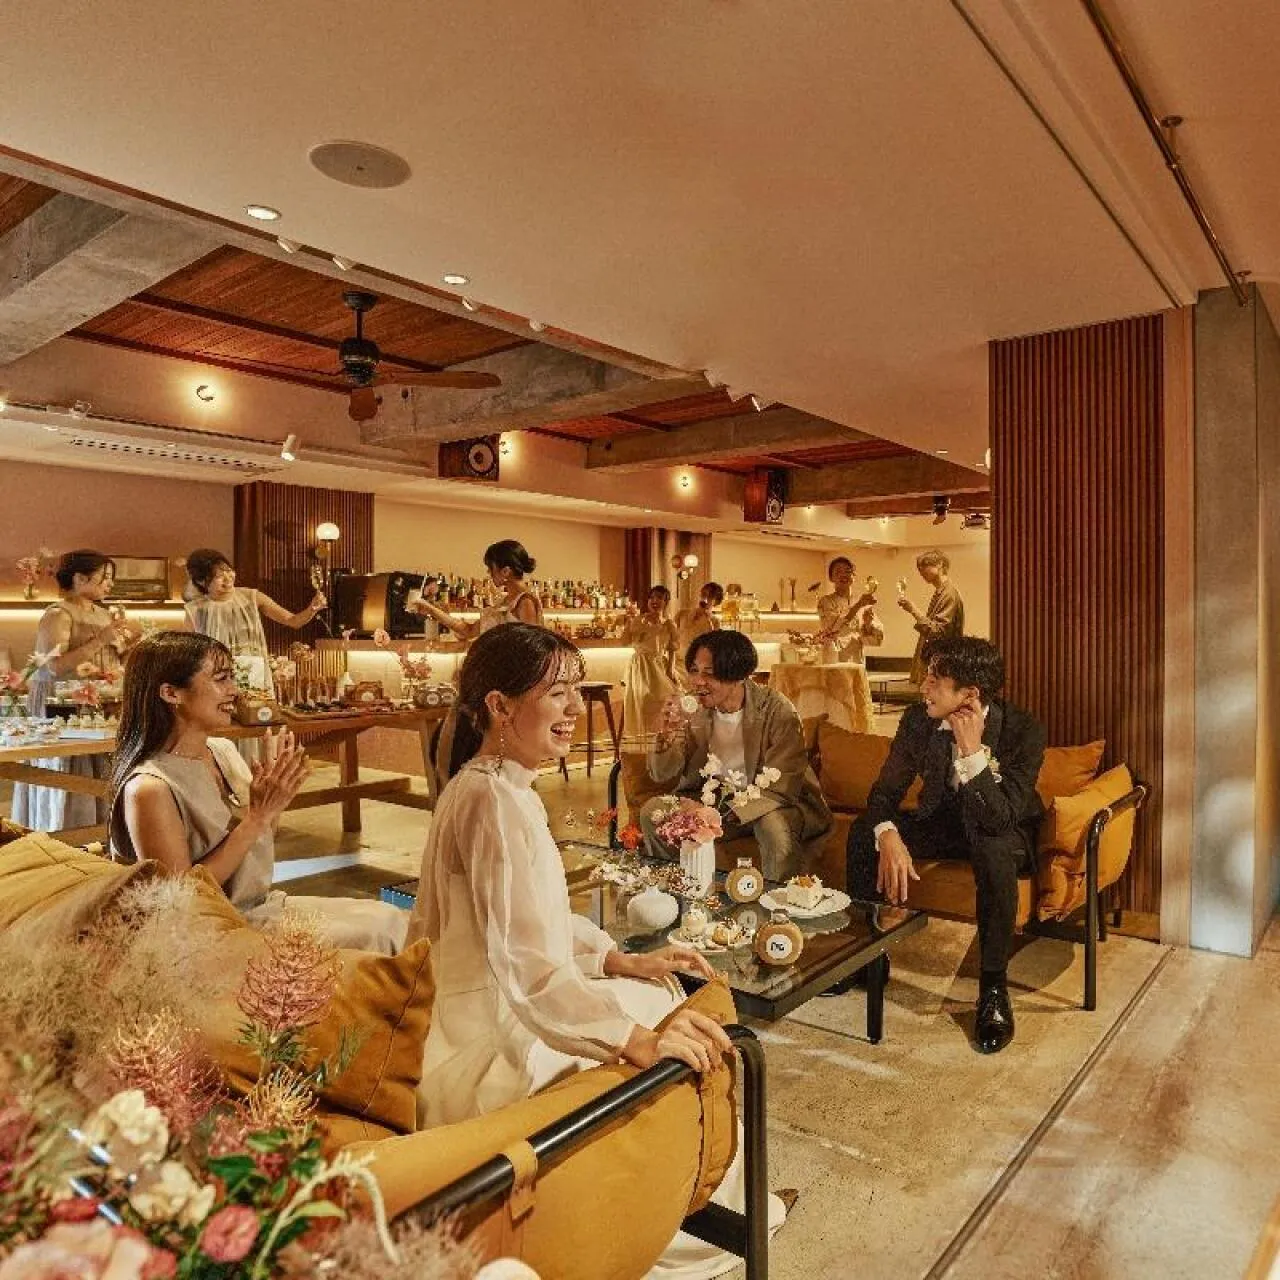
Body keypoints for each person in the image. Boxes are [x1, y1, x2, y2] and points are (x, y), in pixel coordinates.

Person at [406, 622, 786, 1275]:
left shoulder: (495, 787)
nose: (576, 710)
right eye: (557, 693)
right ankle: (694, 1211)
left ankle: (709, 1193)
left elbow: (536, 922)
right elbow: (527, 971)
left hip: (488, 1013)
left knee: (661, 988)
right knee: (671, 1020)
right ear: (499, 706)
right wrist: (635, 1041)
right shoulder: (493, 802)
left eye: (576, 692)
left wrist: (616, 959)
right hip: (484, 1044)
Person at [107, 632, 407, 954]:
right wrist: (257, 817)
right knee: (374, 938)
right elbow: (179, 901)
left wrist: (275, 802)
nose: (234, 690)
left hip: (260, 907)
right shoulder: (149, 788)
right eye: (221, 679)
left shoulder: (222, 751)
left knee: (390, 919)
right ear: (171, 693)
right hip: (210, 934)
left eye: (232, 678)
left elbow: (261, 839)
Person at [841, 636, 1045, 1054]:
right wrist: (888, 833)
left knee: (994, 850)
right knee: (864, 832)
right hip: (942, 821)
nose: (923, 688)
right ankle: (867, 958)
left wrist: (971, 751)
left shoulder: (1023, 730)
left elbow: (1000, 818)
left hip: (1001, 828)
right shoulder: (918, 721)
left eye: (934, 680)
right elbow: (884, 793)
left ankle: (993, 990)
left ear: (969, 694)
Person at [641, 631, 832, 883]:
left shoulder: (777, 710)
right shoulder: (695, 712)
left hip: (774, 802)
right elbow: (661, 774)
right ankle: (679, 891)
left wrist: (716, 815)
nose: (698, 681)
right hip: (716, 800)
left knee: (772, 827)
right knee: (654, 811)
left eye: (709, 673)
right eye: (694, 671)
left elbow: (782, 786)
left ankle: (778, 902)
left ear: (739, 675)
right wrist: (667, 734)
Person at [12, 550, 140, 832]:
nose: (111, 584)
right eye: (105, 577)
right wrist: (101, 640)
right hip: (61, 706)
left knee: (101, 768)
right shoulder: (58, 614)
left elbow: (112, 660)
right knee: (69, 769)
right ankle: (63, 835)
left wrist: (131, 649)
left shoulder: (104, 614)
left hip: (99, 703)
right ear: (80, 578)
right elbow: (52, 667)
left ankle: (100, 834)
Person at [183, 548, 326, 700]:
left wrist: (312, 609)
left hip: (252, 675)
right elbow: (190, 653)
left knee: (255, 711)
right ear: (201, 581)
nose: (227, 578)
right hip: (215, 678)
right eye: (218, 576)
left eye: (229, 571)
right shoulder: (195, 609)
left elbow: (293, 621)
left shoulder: (252, 597)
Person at [408, 539, 542, 639]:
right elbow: (468, 630)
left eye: (491, 568)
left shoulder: (525, 601)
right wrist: (431, 609)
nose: (488, 572)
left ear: (506, 571)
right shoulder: (504, 601)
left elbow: (531, 648)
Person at [621, 584, 678, 750]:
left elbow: (672, 650)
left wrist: (671, 670)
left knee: (667, 702)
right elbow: (624, 642)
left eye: (659, 598)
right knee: (642, 703)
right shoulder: (639, 620)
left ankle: (660, 744)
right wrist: (629, 622)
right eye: (652, 597)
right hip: (640, 666)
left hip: (659, 665)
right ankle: (641, 747)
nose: (655, 601)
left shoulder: (669, 624)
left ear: (666, 602)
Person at [898, 549, 965, 685]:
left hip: (941, 667)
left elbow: (938, 632)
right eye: (919, 568)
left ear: (940, 565)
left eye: (925, 565)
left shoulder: (949, 594)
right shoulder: (941, 593)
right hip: (936, 666)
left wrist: (913, 610)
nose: (921, 571)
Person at [815, 557, 883, 664]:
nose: (843, 575)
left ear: (853, 576)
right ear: (831, 578)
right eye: (838, 572)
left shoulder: (862, 602)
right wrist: (857, 606)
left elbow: (876, 640)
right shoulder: (825, 602)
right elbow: (833, 628)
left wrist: (868, 624)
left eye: (847, 571)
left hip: (857, 661)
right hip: (834, 659)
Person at [674, 581, 724, 675]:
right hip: (676, 662)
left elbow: (713, 646)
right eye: (703, 594)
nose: (705, 599)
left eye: (710, 597)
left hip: (696, 666)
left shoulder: (714, 622)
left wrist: (708, 620)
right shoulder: (682, 614)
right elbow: (672, 638)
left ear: (716, 601)